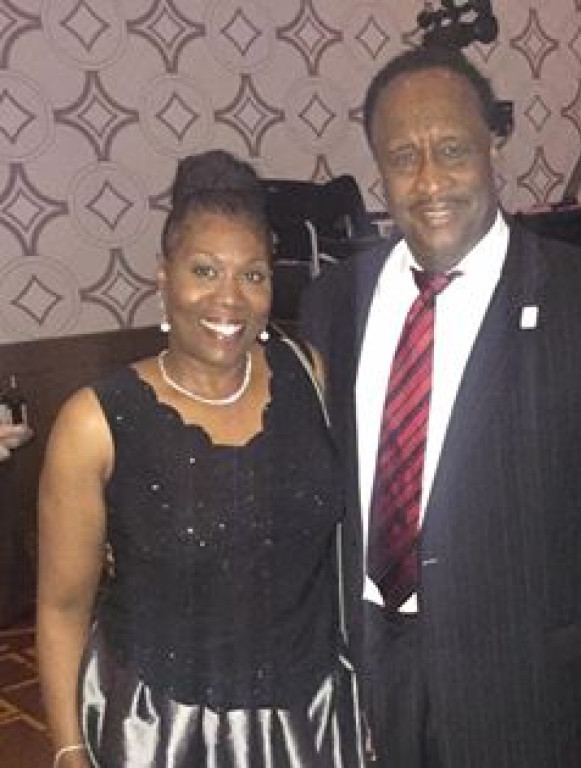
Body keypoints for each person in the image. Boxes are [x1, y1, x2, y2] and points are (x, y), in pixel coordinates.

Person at [300, 46, 581, 768]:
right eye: (402, 157)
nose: (428, 181)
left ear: (494, 145)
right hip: (366, 688)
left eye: (451, 149)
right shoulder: (333, 305)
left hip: (531, 694)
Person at [37, 150, 362, 768]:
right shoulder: (96, 422)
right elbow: (61, 608)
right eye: (205, 270)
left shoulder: (307, 375)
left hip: (309, 722)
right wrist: (69, 750)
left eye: (254, 275)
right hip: (164, 732)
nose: (230, 300)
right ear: (164, 277)